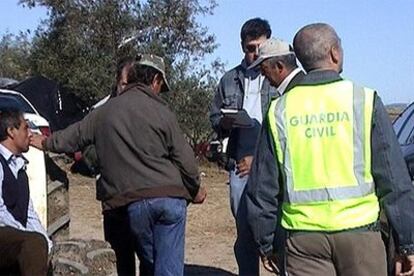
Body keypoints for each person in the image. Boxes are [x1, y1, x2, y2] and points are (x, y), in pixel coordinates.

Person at [246, 22, 414, 276]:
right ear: (335, 52)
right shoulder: (364, 100)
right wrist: (406, 242)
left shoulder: (279, 110)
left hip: (303, 240)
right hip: (361, 236)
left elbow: (263, 187)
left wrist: (266, 242)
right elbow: (393, 178)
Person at [31, 54, 207, 276]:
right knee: (166, 267)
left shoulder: (104, 112)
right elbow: (185, 159)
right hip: (170, 199)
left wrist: (45, 141)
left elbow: (72, 137)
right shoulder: (163, 112)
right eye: (160, 86)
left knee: (145, 262)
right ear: (155, 80)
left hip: (130, 204)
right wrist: (195, 188)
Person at [209, 17, 277, 275]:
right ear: (242, 47)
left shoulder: (276, 76)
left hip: (270, 163)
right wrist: (225, 123)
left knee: (275, 227)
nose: (255, 54)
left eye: (260, 47)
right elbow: (214, 117)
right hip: (239, 164)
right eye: (250, 48)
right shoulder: (229, 80)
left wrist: (260, 160)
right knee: (244, 228)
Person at [0, 107, 52, 276]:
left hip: (14, 235)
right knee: (33, 243)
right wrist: (28, 235)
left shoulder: (20, 167)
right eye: (25, 128)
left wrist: (45, 240)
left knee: (40, 244)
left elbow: (28, 212)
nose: (30, 134)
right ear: (11, 131)